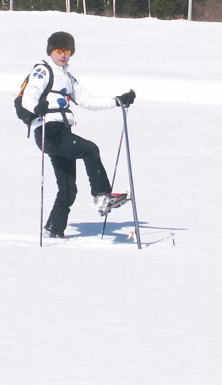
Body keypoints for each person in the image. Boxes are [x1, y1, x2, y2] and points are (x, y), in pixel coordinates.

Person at [20, 31, 136, 238]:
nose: (63, 55)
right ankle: (102, 195)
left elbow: (88, 100)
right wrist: (37, 108)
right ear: (50, 51)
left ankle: (53, 230)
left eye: (67, 51)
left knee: (67, 189)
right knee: (90, 149)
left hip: (62, 131)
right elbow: (29, 96)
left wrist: (117, 101)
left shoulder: (68, 77)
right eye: (58, 50)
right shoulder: (43, 71)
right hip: (49, 130)